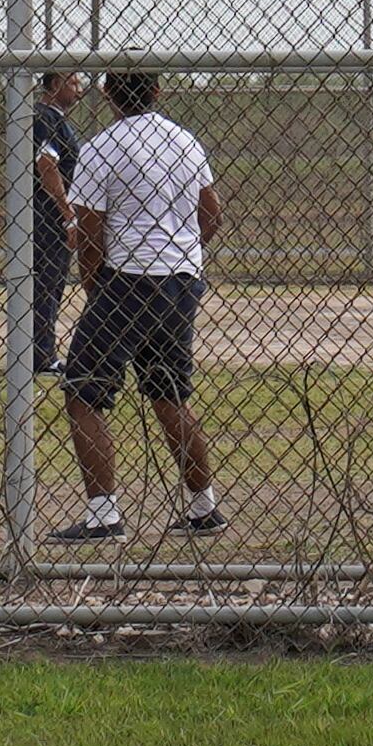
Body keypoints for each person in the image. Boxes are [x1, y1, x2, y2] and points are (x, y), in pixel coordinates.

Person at [48, 70, 222, 542]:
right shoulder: (183, 140)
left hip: (127, 280)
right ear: (157, 91)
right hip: (180, 282)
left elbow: (88, 231)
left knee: (83, 390)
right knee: (169, 390)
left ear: (107, 95)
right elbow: (211, 214)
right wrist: (183, 252)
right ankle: (203, 508)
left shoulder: (103, 147)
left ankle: (104, 515)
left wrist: (93, 285)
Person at [29, 68, 88, 377]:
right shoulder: (43, 118)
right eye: (73, 83)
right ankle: (41, 356)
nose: (78, 90)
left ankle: (42, 351)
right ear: (54, 84)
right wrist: (67, 213)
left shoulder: (57, 120)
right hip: (47, 216)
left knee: (51, 284)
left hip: (50, 215)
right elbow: (46, 164)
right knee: (46, 284)